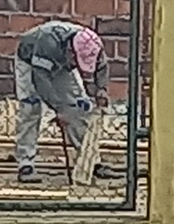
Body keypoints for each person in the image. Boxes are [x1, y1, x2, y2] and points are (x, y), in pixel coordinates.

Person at [11, 19, 106, 183]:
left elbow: (102, 64)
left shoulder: (92, 43)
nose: (76, 64)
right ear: (70, 50)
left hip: (61, 65)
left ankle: (90, 160)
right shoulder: (47, 43)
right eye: (75, 60)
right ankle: (25, 164)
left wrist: (101, 89)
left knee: (80, 107)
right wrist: (58, 109)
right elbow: (40, 79)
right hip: (30, 61)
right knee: (31, 108)